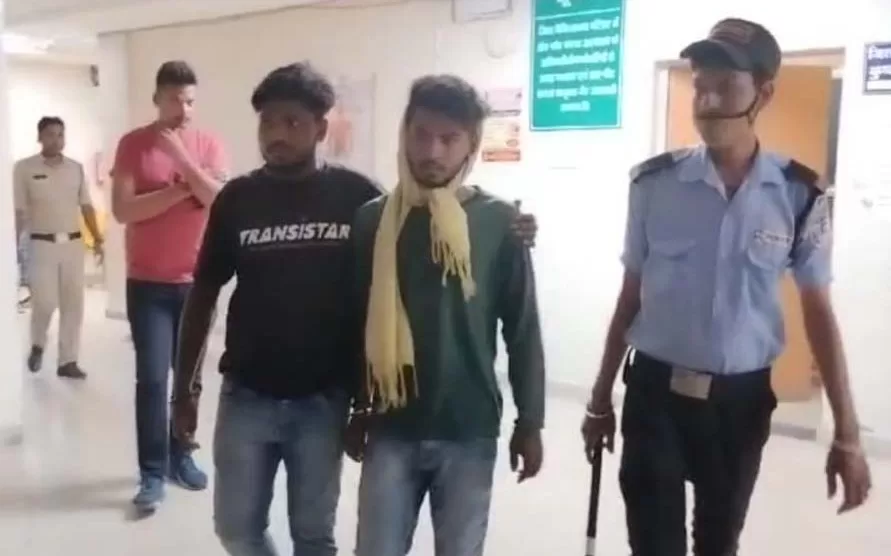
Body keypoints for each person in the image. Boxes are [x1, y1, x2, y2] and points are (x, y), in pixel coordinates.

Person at [170, 63, 538, 556]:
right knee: (245, 530)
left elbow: (516, 322)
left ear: (321, 128)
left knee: (324, 536)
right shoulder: (271, 204)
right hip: (292, 403)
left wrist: (530, 419)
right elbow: (209, 294)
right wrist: (186, 389)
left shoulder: (377, 202)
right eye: (268, 122)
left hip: (379, 409)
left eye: (292, 122)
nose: (277, 134)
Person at [580, 18, 872, 556]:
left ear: (764, 94)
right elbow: (630, 297)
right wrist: (600, 400)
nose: (709, 102)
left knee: (718, 543)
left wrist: (848, 433)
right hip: (654, 396)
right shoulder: (654, 184)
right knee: (653, 544)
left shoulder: (799, 195)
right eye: (701, 86)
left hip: (739, 404)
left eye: (726, 87)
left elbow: (819, 314)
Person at [346, 75, 545, 556]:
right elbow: (356, 321)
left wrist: (530, 421)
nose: (431, 151)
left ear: (471, 147)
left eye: (449, 139)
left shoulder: (499, 222)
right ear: (404, 132)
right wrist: (357, 407)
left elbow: (522, 328)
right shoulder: (373, 220)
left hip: (468, 426)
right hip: (391, 425)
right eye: (421, 134)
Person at [110, 60, 228, 513]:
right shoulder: (133, 145)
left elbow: (217, 200)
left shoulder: (208, 143)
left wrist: (182, 160)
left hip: (197, 283)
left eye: (190, 101)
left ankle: (182, 455)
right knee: (153, 379)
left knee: (189, 381)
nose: (184, 109)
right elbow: (124, 210)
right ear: (157, 98)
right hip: (148, 284)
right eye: (176, 99)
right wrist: (182, 190)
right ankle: (152, 472)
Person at [13, 116, 103, 379]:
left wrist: (98, 239)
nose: (56, 139)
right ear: (39, 137)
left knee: (73, 304)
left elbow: (86, 205)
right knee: (45, 301)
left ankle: (68, 361)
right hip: (41, 244)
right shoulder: (24, 169)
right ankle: (38, 343)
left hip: (73, 244)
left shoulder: (75, 168)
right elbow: (19, 211)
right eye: (50, 134)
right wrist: (10, 247)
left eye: (60, 134)